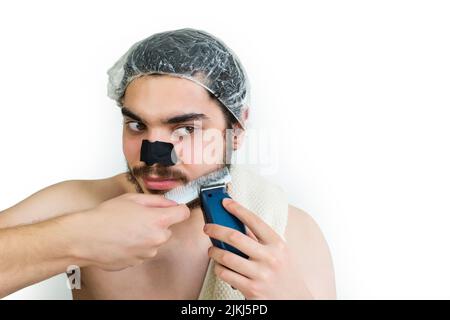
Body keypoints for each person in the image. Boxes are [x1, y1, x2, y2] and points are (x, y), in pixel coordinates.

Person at [0, 28, 336, 299]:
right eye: (137, 125)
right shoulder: (81, 208)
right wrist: (75, 239)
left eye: (186, 129)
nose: (153, 156)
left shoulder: (287, 234)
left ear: (236, 129)